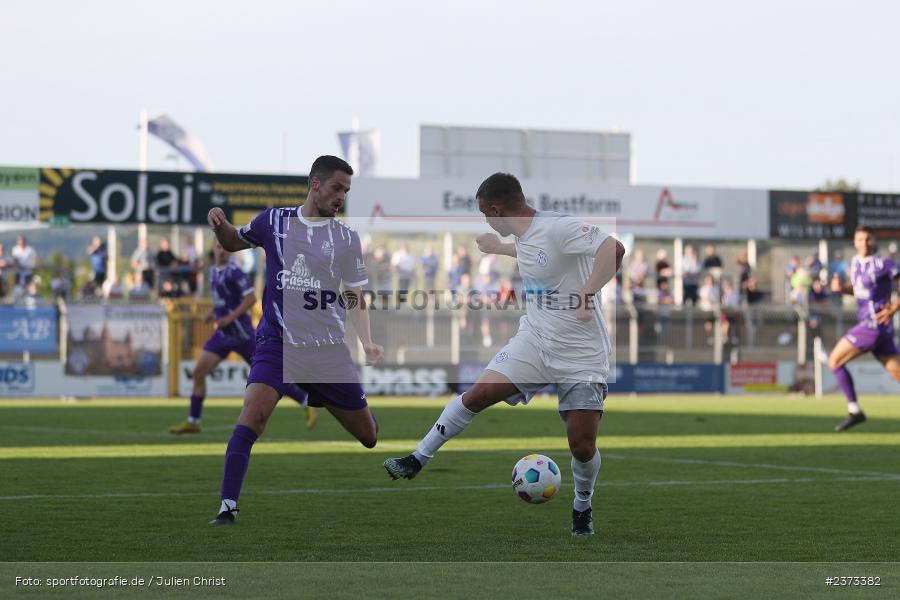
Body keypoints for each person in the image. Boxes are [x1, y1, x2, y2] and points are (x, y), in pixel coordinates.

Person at [383, 172, 625, 537]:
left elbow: (614, 248)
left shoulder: (559, 227)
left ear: (496, 209)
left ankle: (582, 505)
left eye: (485, 214)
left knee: (581, 444)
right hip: (536, 340)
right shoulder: (526, 236)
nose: (486, 221)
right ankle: (418, 457)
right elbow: (535, 253)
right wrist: (499, 249)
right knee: (477, 394)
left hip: (582, 354)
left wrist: (589, 292)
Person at [206, 155, 383, 525]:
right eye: (337, 188)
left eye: (346, 191)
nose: (341, 197)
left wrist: (366, 342)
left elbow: (354, 295)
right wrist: (219, 224)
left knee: (369, 437)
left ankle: (327, 396)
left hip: (327, 352)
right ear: (315, 184)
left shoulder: (347, 239)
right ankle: (227, 507)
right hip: (277, 344)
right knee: (253, 416)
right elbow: (233, 241)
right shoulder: (274, 221)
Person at [169, 240, 316, 435]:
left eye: (225, 247)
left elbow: (251, 299)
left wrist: (229, 317)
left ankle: (306, 402)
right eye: (218, 247)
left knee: (271, 376)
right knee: (198, 373)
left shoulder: (235, 272)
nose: (221, 251)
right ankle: (193, 421)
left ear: (230, 251)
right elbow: (224, 298)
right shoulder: (214, 271)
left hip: (242, 335)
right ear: (214, 249)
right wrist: (212, 312)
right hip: (222, 335)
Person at [828, 226, 900, 432]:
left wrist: (894, 308)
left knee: (834, 361)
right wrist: (841, 289)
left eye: (868, 239)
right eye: (860, 239)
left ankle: (855, 411)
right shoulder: (856, 263)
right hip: (879, 329)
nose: (864, 243)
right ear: (854, 242)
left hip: (873, 325)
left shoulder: (884, 264)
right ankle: (855, 411)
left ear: (874, 240)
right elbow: (862, 291)